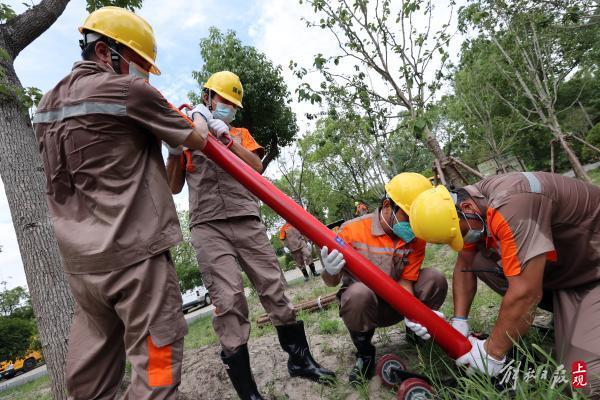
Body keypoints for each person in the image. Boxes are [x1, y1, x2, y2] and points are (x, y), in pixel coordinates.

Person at [32, 7, 209, 399]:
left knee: (90, 381)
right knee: (158, 374)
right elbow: (196, 141)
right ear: (104, 53)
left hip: (83, 269)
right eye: (137, 62)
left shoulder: (45, 106)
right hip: (136, 260)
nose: (141, 73)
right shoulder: (129, 91)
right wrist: (199, 117)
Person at [166, 71, 334, 399]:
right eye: (223, 100)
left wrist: (225, 137)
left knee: (274, 288)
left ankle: (300, 362)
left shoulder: (240, 133)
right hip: (209, 228)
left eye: (233, 103)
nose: (228, 107)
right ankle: (249, 394)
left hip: (247, 222)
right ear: (207, 98)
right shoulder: (190, 136)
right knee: (228, 301)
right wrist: (174, 151)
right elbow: (173, 186)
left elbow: (256, 167)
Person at [409, 172, 600, 396]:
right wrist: (460, 320)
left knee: (582, 381)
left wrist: (492, 352)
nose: (463, 241)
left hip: (592, 272)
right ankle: (570, 317)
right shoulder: (468, 204)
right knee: (479, 260)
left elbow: (526, 293)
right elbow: (465, 264)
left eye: (461, 234)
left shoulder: (511, 203)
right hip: (570, 270)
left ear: (467, 208)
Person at [320, 173, 448, 384]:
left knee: (435, 278)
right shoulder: (351, 231)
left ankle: (414, 333)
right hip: (365, 307)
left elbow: (407, 281)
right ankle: (365, 354)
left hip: (397, 303)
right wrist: (330, 270)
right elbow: (331, 282)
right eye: (409, 216)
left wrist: (413, 314)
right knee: (358, 293)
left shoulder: (415, 238)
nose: (414, 225)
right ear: (388, 205)